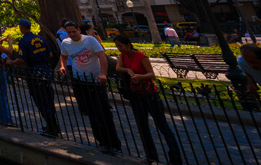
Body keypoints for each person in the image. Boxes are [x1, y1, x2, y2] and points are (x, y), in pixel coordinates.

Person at [114, 35, 182, 165]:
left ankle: (175, 158)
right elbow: (118, 68)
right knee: (142, 127)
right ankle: (151, 156)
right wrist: (128, 70)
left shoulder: (141, 56)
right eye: (117, 46)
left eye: (120, 46)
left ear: (128, 45)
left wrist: (140, 77)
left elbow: (152, 74)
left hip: (149, 95)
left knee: (163, 127)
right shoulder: (123, 56)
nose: (119, 49)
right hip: (136, 95)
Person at [59, 21, 121, 154]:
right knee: (90, 112)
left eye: (73, 31)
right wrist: (63, 66)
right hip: (80, 80)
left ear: (78, 30)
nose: (72, 34)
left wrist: (103, 74)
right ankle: (101, 141)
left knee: (103, 112)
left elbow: (102, 57)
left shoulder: (90, 40)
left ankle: (113, 143)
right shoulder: (66, 43)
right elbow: (63, 56)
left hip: (95, 80)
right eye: (69, 32)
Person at [7, 19, 59, 137]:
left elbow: (22, 59)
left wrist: (12, 62)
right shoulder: (40, 38)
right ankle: (53, 125)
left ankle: (51, 128)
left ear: (22, 27)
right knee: (49, 99)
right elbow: (50, 54)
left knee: (41, 100)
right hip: (46, 70)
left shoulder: (24, 40)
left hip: (34, 71)